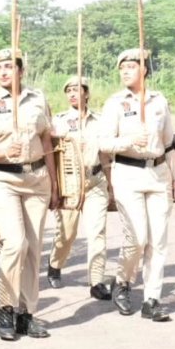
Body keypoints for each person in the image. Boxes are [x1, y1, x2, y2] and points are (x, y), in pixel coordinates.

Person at [0, 48, 59, 341]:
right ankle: (5, 308)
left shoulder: (38, 99)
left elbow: (47, 139)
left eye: (10, 66)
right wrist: (3, 151)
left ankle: (26, 313)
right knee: (15, 243)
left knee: (34, 248)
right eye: (0, 68)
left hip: (36, 179)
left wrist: (55, 184)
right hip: (1, 178)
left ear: (21, 70)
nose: (5, 72)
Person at [97, 49, 175, 323]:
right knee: (138, 238)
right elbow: (104, 143)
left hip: (158, 174)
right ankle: (122, 281)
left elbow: (169, 143)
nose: (125, 71)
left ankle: (151, 299)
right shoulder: (115, 103)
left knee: (158, 240)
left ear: (144, 70)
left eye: (132, 66)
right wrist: (130, 141)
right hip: (128, 173)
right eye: (122, 67)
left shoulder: (159, 101)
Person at [49, 76, 115, 300]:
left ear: (86, 93)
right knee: (67, 234)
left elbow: (105, 155)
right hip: (70, 182)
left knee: (97, 233)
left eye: (77, 89)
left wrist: (111, 183)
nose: (73, 94)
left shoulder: (100, 120)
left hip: (95, 180)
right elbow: (53, 154)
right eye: (68, 90)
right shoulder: (59, 121)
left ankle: (96, 281)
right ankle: (55, 264)